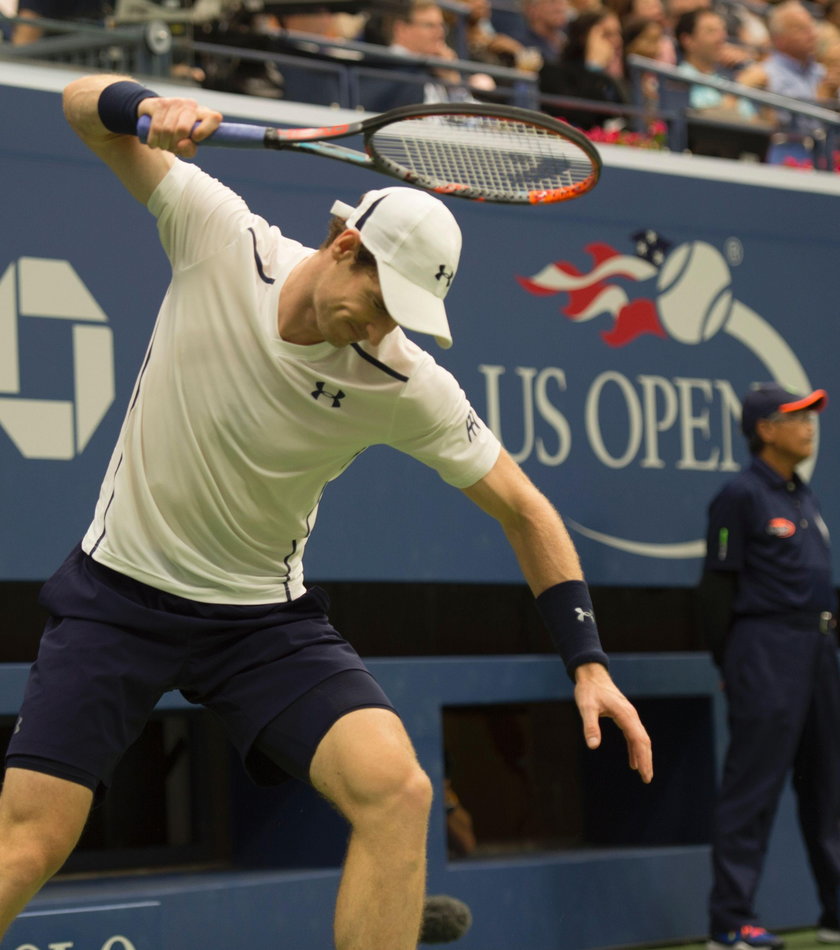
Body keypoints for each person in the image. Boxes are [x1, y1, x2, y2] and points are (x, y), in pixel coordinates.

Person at [0, 74, 653, 950]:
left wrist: (588, 661)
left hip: (262, 625)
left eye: (404, 317)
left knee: (400, 792)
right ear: (345, 246)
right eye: (380, 302)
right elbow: (79, 109)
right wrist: (138, 103)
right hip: (119, 594)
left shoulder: (402, 381)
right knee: (30, 843)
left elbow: (525, 509)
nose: (384, 329)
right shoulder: (218, 236)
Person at [700, 383, 840, 950]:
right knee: (751, 789)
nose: (809, 425)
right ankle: (730, 923)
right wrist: (732, 661)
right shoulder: (739, 496)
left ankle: (834, 913)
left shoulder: (803, 497)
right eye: (795, 416)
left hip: (819, 654)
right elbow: (714, 591)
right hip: (764, 652)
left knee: (829, 789)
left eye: (811, 416)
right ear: (764, 429)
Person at [539, 9, 630, 130]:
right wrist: (593, 66)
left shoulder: (614, 78)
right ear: (583, 38)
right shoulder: (554, 72)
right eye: (607, 34)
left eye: (618, 34)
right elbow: (580, 119)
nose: (618, 41)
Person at [674, 9, 763, 121]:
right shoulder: (677, 81)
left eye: (722, 30)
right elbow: (707, 125)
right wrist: (741, 87)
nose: (722, 37)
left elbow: (761, 122)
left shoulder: (728, 74)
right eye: (711, 31)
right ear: (688, 40)